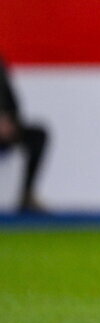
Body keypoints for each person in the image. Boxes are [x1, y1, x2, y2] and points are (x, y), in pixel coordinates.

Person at [0, 57, 49, 213]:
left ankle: (27, 195)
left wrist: (11, 121)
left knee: (38, 135)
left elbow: (12, 100)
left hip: (7, 127)